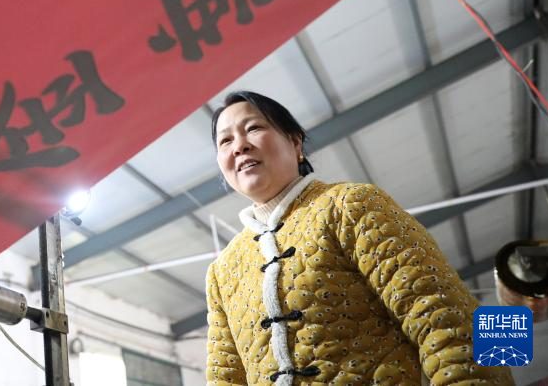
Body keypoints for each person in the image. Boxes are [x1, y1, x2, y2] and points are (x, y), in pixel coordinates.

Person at [205, 90, 512, 385]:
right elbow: (225, 378)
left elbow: (440, 313)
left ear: (295, 142)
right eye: (225, 140)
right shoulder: (222, 271)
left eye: (254, 128)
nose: (239, 146)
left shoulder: (350, 205)